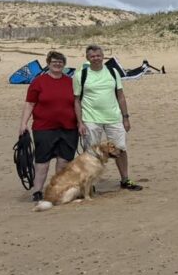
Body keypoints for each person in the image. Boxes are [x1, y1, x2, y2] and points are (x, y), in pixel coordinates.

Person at [73, 44, 142, 191]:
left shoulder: (112, 72)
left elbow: (120, 96)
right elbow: (77, 100)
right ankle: (89, 184)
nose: (96, 58)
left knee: (121, 149)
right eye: (92, 56)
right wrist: (80, 123)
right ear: (87, 58)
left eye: (98, 55)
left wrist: (126, 117)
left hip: (114, 117)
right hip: (91, 118)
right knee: (91, 152)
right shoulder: (81, 75)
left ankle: (125, 179)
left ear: (103, 56)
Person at [18, 50, 78, 203]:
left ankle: (57, 189)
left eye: (60, 62)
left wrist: (81, 123)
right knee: (42, 162)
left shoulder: (71, 81)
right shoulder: (38, 82)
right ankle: (37, 191)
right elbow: (30, 103)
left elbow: (78, 104)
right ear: (48, 64)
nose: (57, 64)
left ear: (64, 64)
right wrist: (23, 124)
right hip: (44, 128)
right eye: (54, 62)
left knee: (64, 161)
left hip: (69, 127)